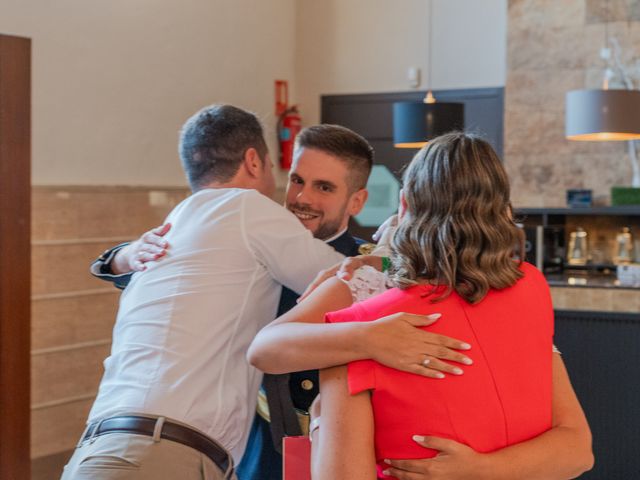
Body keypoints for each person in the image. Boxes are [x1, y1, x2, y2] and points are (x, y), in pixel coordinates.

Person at [70, 107, 472, 480]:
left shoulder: (355, 266)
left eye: (324, 187)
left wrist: (390, 252)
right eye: (297, 180)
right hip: (244, 457)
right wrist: (121, 257)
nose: (302, 198)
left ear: (357, 201)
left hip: (332, 453)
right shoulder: (248, 234)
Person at [248, 133, 594, 480]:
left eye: (324, 186)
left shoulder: (365, 300)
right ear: (501, 212)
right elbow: (577, 449)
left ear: (404, 208)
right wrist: (368, 334)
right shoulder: (527, 290)